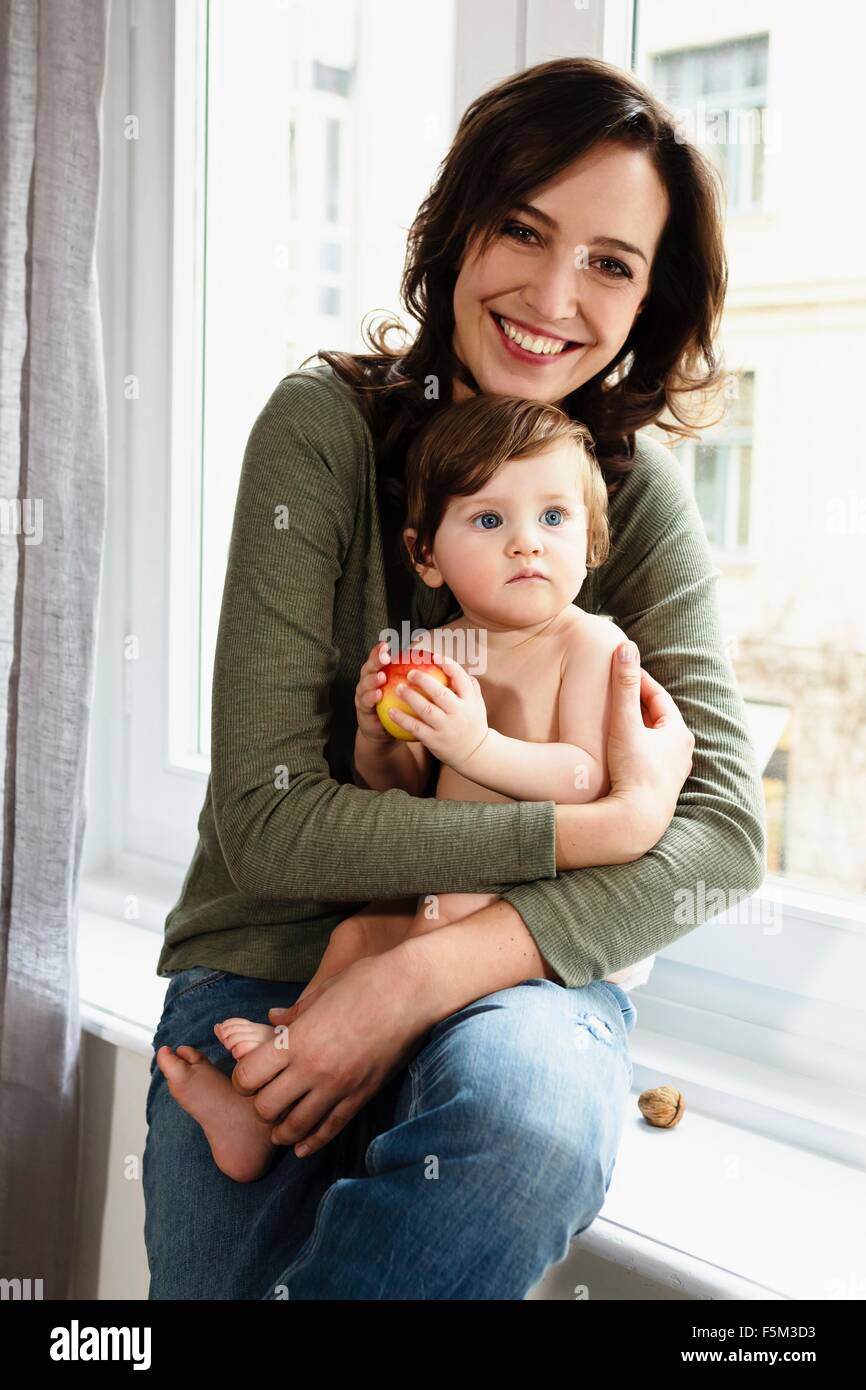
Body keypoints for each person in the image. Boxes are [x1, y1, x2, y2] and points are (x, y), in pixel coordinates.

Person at [143, 55, 765, 1300]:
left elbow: (724, 841)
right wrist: (589, 822)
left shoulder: (627, 500)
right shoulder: (321, 429)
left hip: (518, 970)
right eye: (520, 230)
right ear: (457, 230)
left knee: (526, 1123)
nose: (550, 294)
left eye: (609, 262)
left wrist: (432, 967)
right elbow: (266, 822)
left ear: (650, 299)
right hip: (276, 966)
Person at [154, 396, 652, 1184]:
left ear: (590, 542)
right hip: (439, 886)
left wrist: (478, 744)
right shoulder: (439, 647)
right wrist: (378, 736)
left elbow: (587, 779)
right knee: (354, 937)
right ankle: (271, 1092)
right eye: (489, 522)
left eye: (554, 518)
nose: (527, 541)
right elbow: (405, 793)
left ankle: (297, 1069)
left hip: (526, 904)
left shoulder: (589, 644)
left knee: (413, 952)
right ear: (426, 556)